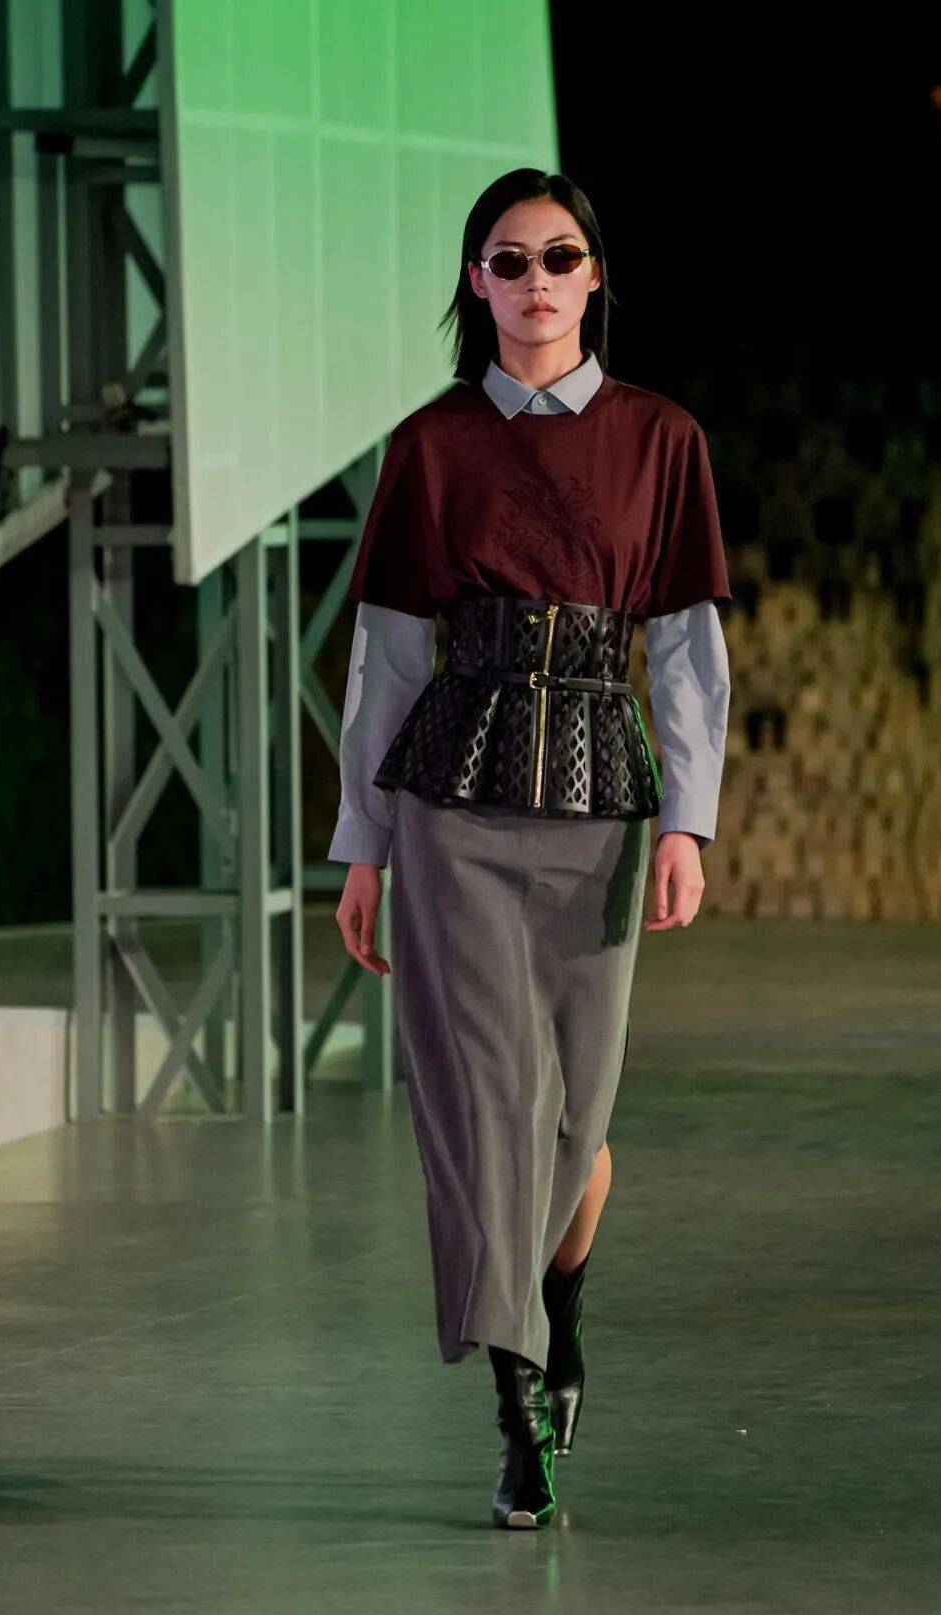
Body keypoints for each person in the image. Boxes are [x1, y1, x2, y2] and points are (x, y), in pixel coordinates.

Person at [328, 168, 732, 1529]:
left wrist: (689, 820)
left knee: (576, 1121)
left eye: (560, 257)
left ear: (595, 274)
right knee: (480, 1107)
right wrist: (362, 844)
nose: (537, 280)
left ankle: (560, 1317)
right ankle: (516, 1412)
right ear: (477, 283)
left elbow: (687, 652)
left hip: (601, 808)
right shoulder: (430, 446)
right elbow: (386, 663)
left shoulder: (662, 439)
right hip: (449, 807)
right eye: (509, 261)